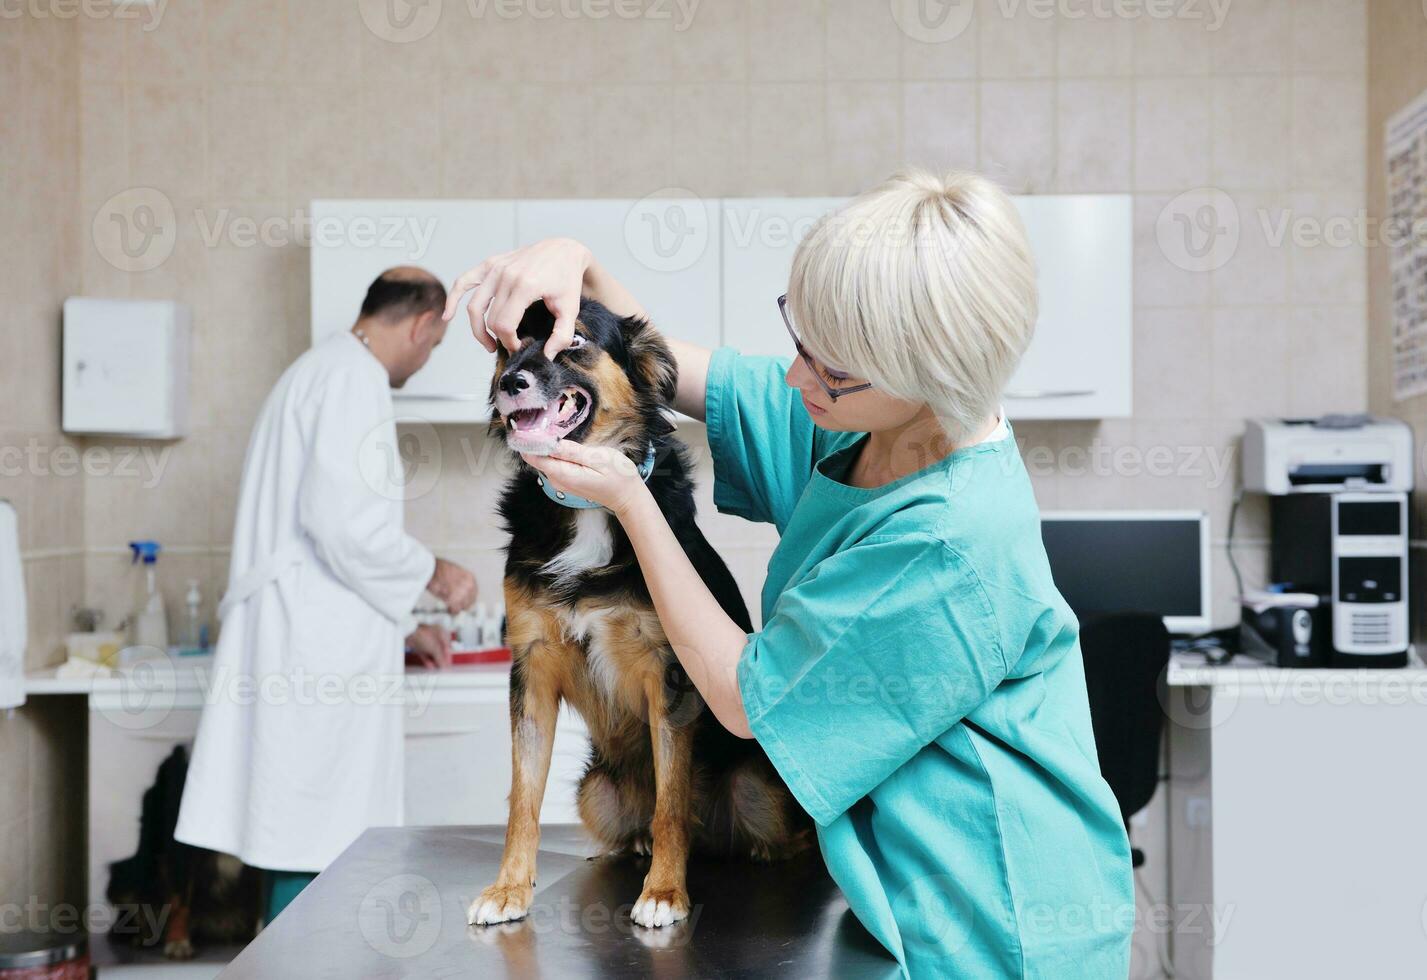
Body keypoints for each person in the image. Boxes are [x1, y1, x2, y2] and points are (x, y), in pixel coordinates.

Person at [444, 173, 1133, 977]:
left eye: (829, 365)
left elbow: (740, 699)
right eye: (799, 339)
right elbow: (655, 362)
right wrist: (577, 265)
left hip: (995, 925)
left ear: (924, 374)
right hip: (899, 903)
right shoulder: (860, 430)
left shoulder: (944, 542)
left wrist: (633, 501)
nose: (797, 377)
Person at [177, 267, 477, 921]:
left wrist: (403, 629)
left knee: (308, 828)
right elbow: (343, 524)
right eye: (434, 345)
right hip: (312, 656)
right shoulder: (352, 380)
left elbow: (319, 542)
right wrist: (435, 571)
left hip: (308, 639)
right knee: (315, 835)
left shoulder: (321, 371)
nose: (426, 361)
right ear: (423, 324)